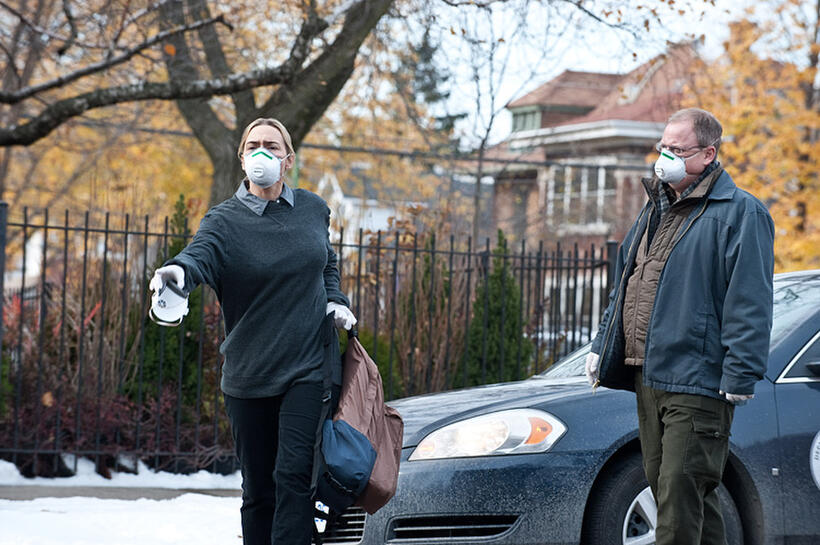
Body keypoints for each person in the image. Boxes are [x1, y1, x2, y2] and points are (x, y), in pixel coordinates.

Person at [148, 118, 356, 545]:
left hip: (308, 368)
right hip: (249, 374)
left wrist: (335, 298)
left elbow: (325, 261)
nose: (263, 153)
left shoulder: (314, 210)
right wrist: (176, 273)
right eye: (254, 145)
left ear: (288, 159)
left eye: (272, 146)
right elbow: (200, 255)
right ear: (242, 158)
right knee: (259, 490)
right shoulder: (224, 221)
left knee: (293, 477)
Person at [585, 108, 774, 544]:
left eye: (677, 149)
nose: (664, 156)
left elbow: (750, 299)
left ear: (708, 154)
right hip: (650, 375)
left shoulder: (741, 213)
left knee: (678, 499)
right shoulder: (654, 211)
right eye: (663, 146)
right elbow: (626, 284)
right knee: (683, 498)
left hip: (698, 380)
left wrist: (741, 371)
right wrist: (601, 344)